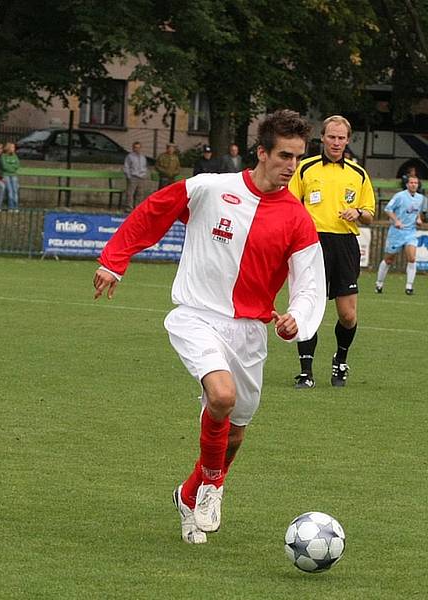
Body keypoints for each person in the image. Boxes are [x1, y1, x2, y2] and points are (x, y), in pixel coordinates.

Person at [93, 109, 325, 544]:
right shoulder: (211, 188)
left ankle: (188, 494)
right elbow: (153, 212)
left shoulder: (296, 218)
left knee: (235, 432)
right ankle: (214, 487)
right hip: (195, 315)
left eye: (298, 157)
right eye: (284, 156)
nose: (292, 166)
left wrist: (298, 317)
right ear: (261, 153)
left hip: (250, 332)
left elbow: (310, 284)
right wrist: (115, 260)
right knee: (221, 395)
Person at [288, 115, 375, 389]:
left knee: (348, 315)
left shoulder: (358, 174)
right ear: (322, 138)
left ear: (347, 140)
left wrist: (358, 211)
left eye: (341, 138)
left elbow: (370, 213)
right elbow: (288, 205)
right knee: (306, 308)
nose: (336, 142)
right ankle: (306, 371)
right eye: (331, 137)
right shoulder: (305, 168)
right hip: (311, 245)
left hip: (345, 246)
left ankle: (340, 360)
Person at [375, 175, 425, 295]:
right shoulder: (400, 196)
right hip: (397, 233)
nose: (413, 185)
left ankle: (409, 287)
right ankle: (379, 283)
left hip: (411, 232)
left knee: (412, 258)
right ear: (407, 184)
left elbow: (417, 211)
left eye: (416, 183)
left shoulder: (420, 198)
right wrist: (396, 220)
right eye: (411, 182)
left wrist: (418, 219)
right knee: (389, 259)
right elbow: (388, 209)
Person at [123, 141, 149, 209]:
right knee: (130, 193)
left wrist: (144, 174)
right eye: (136, 147)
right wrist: (129, 176)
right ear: (133, 148)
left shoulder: (143, 157)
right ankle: (129, 207)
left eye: (139, 147)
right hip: (133, 177)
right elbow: (126, 167)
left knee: (140, 193)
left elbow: (145, 166)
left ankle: (138, 207)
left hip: (141, 177)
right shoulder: (129, 156)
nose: (137, 149)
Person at [0, 142, 20, 211]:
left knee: (15, 190)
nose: (13, 149)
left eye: (14, 147)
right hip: (6, 175)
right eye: (12, 147)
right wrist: (12, 168)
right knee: (10, 191)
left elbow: (17, 165)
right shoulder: (3, 156)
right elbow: (4, 166)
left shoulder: (15, 156)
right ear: (8, 148)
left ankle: (16, 207)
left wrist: (10, 168)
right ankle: (11, 207)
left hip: (14, 175)